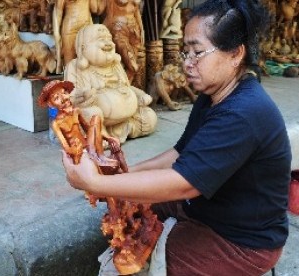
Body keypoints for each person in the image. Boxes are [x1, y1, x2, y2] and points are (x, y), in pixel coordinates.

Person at [61, 0, 292, 275]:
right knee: (131, 214)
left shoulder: (243, 112)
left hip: (243, 241)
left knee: (141, 259)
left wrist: (96, 183)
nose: (188, 64)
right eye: (186, 52)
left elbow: (184, 183)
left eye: (197, 52)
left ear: (235, 54)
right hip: (210, 207)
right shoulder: (212, 96)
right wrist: (122, 175)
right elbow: (180, 153)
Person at [65, 24, 157, 143]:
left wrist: (141, 95)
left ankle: (120, 130)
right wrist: (82, 95)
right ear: (83, 48)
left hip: (124, 117)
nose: (108, 43)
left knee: (150, 117)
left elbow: (127, 87)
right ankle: (99, 134)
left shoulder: (115, 65)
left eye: (109, 39)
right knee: (91, 113)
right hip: (98, 118)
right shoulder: (75, 67)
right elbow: (70, 97)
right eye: (101, 39)